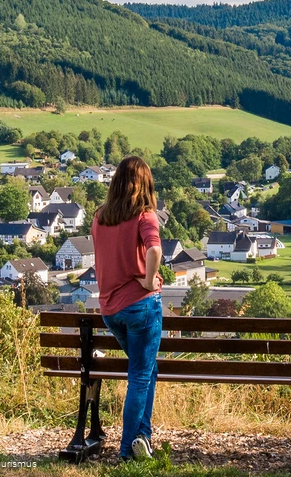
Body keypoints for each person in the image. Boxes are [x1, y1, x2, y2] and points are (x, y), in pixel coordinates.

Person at [91, 155, 163, 461]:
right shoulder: (145, 216)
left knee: (147, 370)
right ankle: (127, 451)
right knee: (139, 376)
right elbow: (155, 250)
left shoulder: (100, 217)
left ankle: (142, 438)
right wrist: (148, 280)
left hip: (111, 311)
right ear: (145, 184)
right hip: (140, 306)